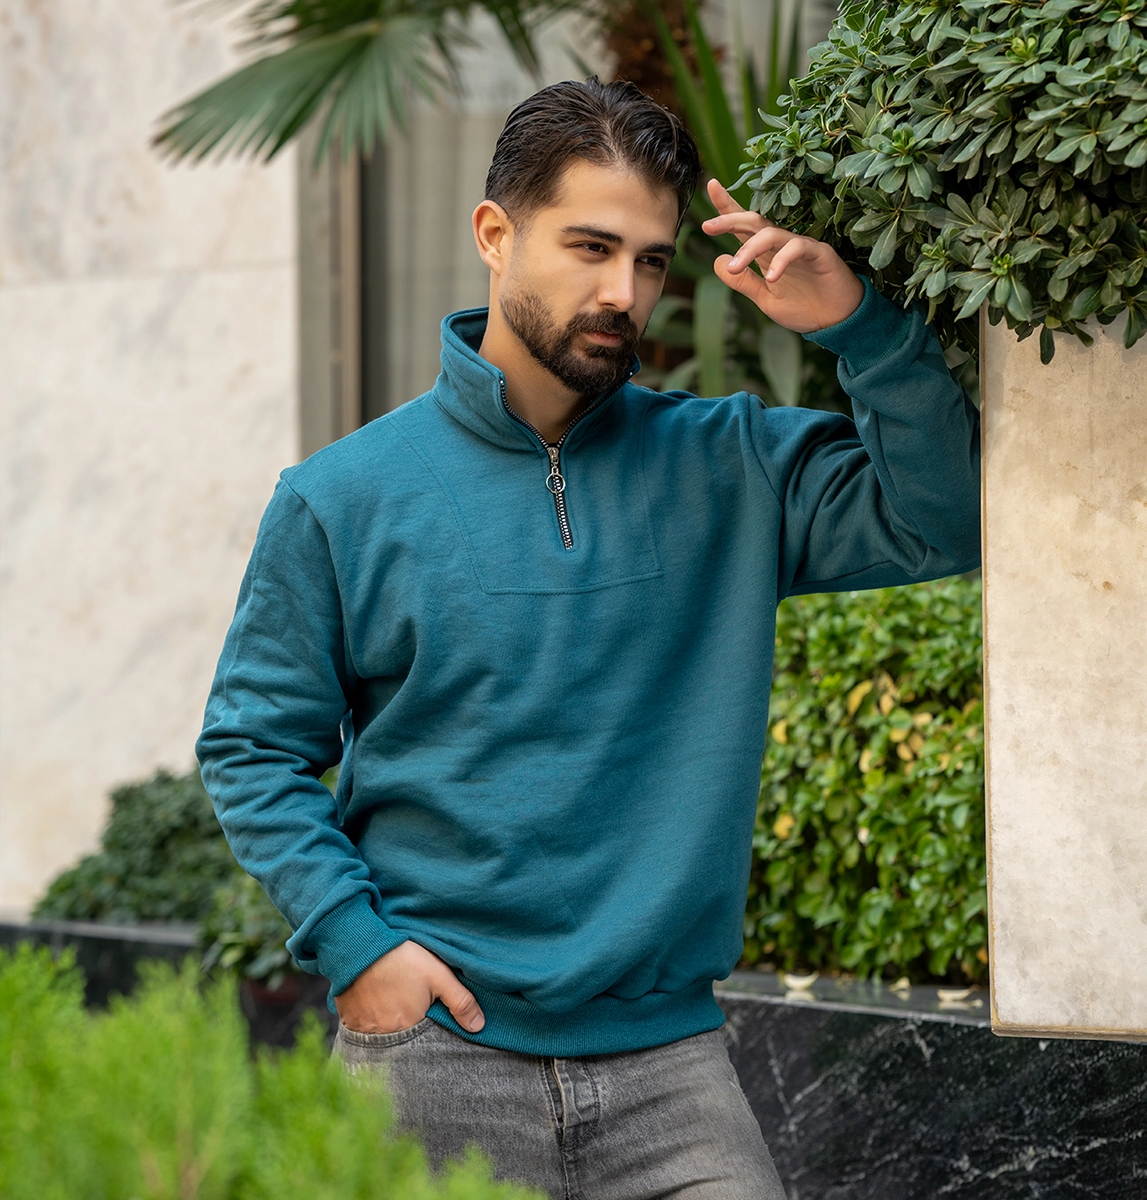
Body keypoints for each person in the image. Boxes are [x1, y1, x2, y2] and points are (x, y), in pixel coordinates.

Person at [197, 77, 980, 1198]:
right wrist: (357, 945)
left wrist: (859, 328)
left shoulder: (735, 463)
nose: (623, 292)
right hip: (432, 1057)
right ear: (495, 235)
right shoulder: (341, 497)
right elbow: (251, 747)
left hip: (671, 1069)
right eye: (591, 247)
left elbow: (944, 521)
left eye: (651, 261)